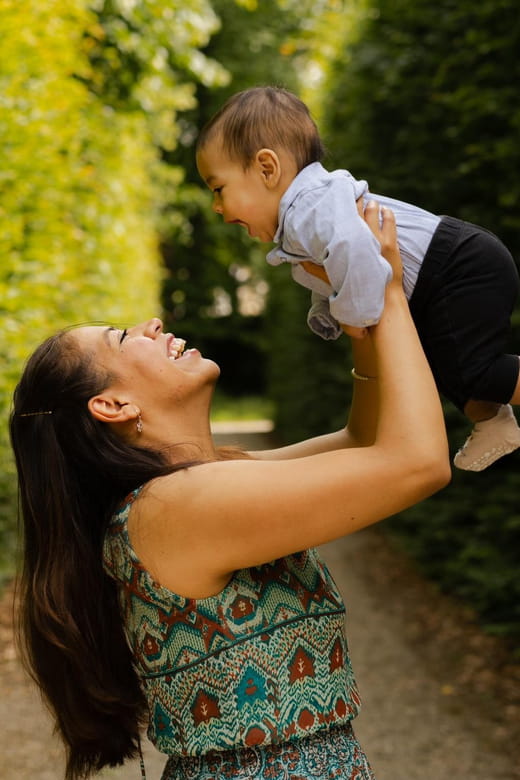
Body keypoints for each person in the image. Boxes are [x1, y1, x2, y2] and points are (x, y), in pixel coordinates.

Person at [10, 204, 449, 780]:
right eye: (123, 337)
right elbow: (418, 463)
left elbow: (363, 441)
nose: (151, 325)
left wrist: (359, 320)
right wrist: (385, 288)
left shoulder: (197, 487)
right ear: (114, 405)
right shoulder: (180, 507)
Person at [195, 85, 520, 473]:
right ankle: (492, 420)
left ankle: (491, 417)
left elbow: (353, 248)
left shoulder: (308, 208)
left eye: (219, 188)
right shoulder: (305, 213)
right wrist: (330, 311)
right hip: (448, 268)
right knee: (440, 362)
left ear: (267, 168)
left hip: (457, 264)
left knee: (475, 370)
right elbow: (334, 269)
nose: (216, 206)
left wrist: (352, 314)